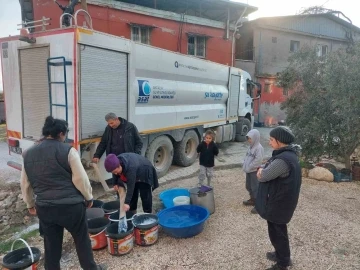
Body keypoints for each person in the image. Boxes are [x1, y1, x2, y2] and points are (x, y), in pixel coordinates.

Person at [20, 116, 105, 270]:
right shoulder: (68, 150)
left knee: (51, 246)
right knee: (82, 241)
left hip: (45, 208)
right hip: (71, 206)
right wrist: (88, 197)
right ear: (60, 133)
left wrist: (30, 204)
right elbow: (81, 179)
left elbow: (25, 184)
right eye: (65, 134)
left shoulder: (28, 154)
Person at [255, 126, 302, 270]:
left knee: (278, 232)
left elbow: (264, 177)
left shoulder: (283, 160)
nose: (269, 142)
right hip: (283, 200)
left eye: (271, 139)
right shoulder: (288, 155)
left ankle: (283, 263)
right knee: (276, 230)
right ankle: (280, 254)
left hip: (279, 202)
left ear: (279, 141)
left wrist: (261, 170)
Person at [242, 129, 264, 214]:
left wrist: (249, 167)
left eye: (250, 138)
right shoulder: (250, 147)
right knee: (248, 186)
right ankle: (252, 199)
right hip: (248, 171)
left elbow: (258, 161)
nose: (249, 140)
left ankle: (259, 205)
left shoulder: (259, 148)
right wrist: (244, 163)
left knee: (256, 188)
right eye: (248, 138)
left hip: (254, 171)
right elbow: (247, 157)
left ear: (255, 138)